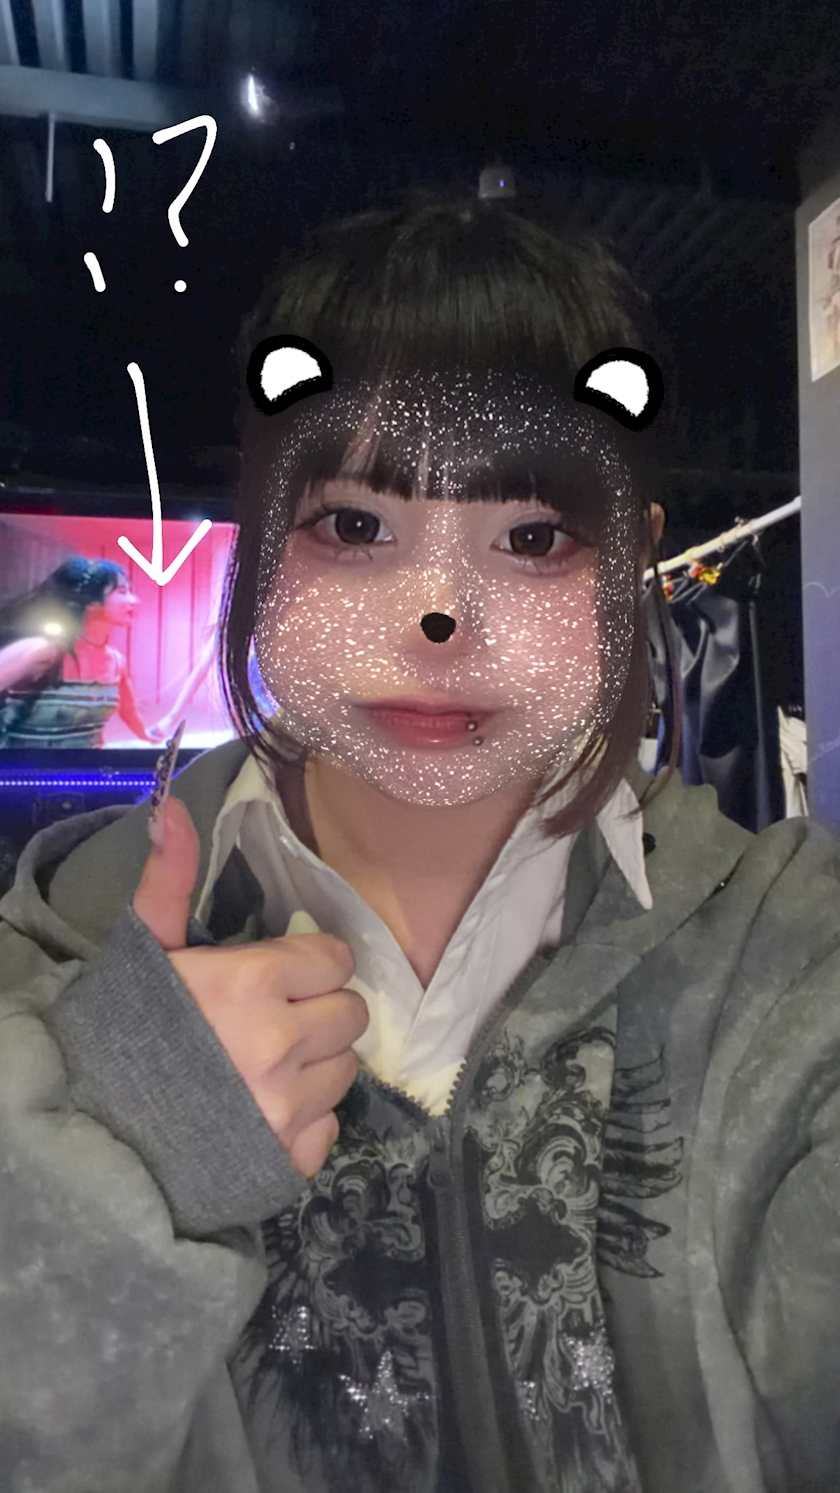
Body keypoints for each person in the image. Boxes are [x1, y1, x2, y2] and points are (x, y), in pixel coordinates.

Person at [0, 194, 837, 1493]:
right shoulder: (43, 969)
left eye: (534, 537)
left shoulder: (794, 963)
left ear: (633, 565)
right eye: (355, 526)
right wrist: (106, 1159)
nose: (440, 616)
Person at [0, 556, 156, 746]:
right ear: (91, 602)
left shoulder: (117, 662)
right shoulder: (43, 651)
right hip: (27, 765)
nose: (135, 600)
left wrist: (149, 737)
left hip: (87, 764)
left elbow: (129, 711)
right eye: (122, 592)